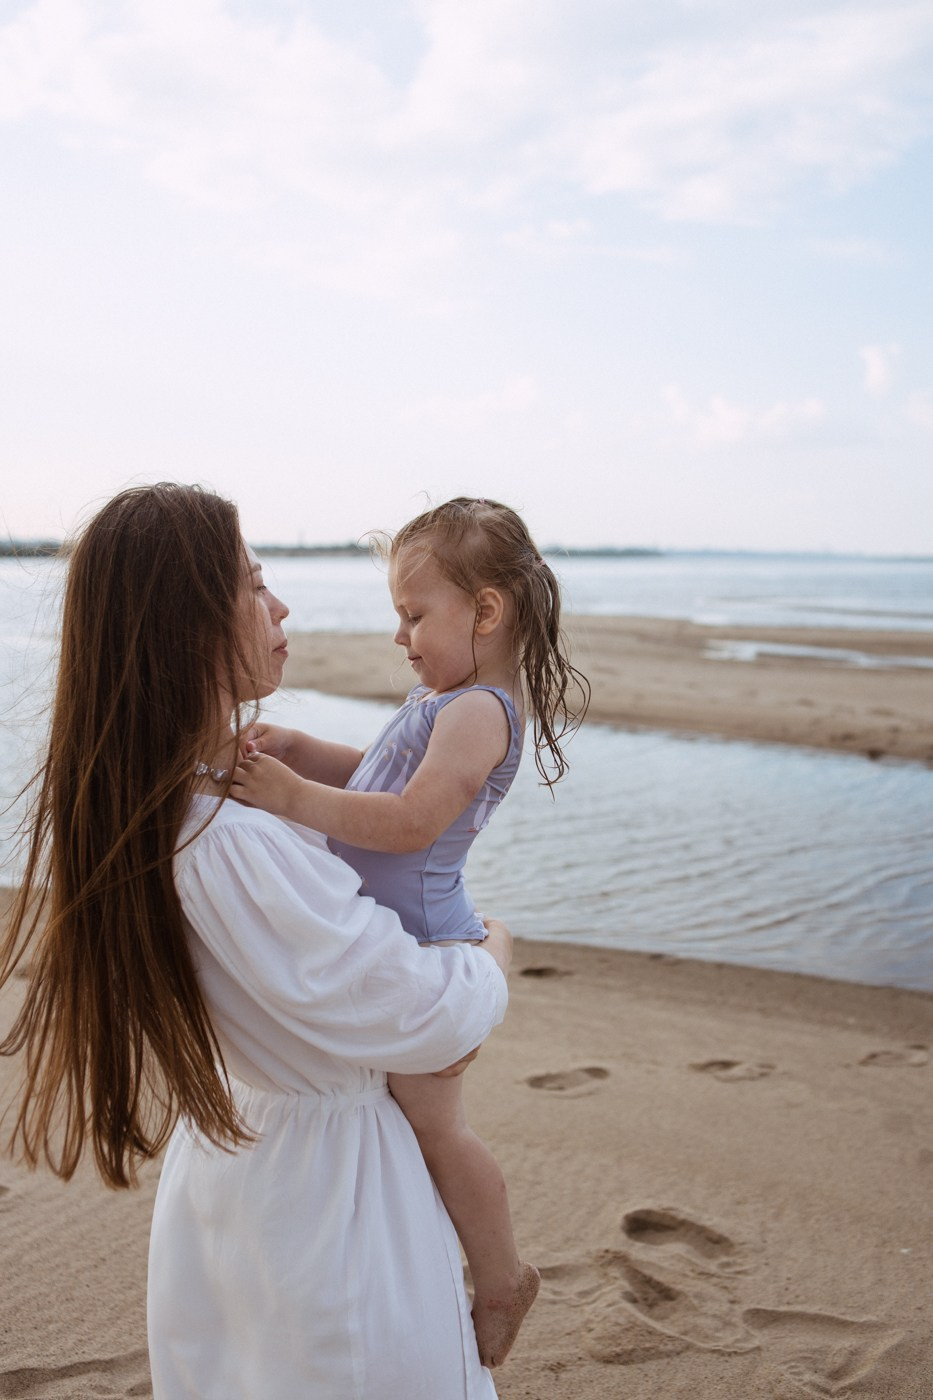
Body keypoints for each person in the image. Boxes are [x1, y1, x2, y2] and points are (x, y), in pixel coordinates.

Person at [0, 483, 516, 1399]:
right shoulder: (228, 839)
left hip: (255, 1174)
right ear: (186, 626)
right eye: (254, 585)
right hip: (330, 1209)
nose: (281, 608)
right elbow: (428, 1020)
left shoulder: (186, 802)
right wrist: (494, 950)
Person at [231, 496, 590, 1367]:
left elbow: (409, 821)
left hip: (426, 941)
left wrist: (291, 796)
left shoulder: (480, 711)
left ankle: (501, 1275)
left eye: (414, 615)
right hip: (401, 927)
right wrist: (302, 750)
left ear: (486, 612)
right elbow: (379, 776)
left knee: (437, 1130)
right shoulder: (441, 701)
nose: (401, 637)